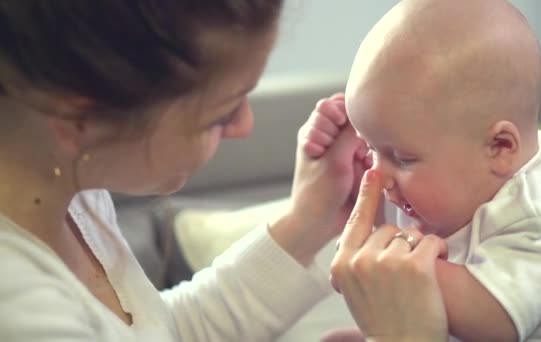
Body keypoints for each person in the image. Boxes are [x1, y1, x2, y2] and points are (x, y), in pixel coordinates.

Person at [0, 1, 389, 341]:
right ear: (81, 120)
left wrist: (308, 221)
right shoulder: (17, 306)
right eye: (221, 114)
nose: (244, 126)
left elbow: (161, 330)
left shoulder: (73, 191)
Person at [312, 0, 541, 341]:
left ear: (499, 147)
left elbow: (494, 321)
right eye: (370, 147)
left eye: (403, 158)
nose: (379, 176)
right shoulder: (451, 170)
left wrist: (385, 267)